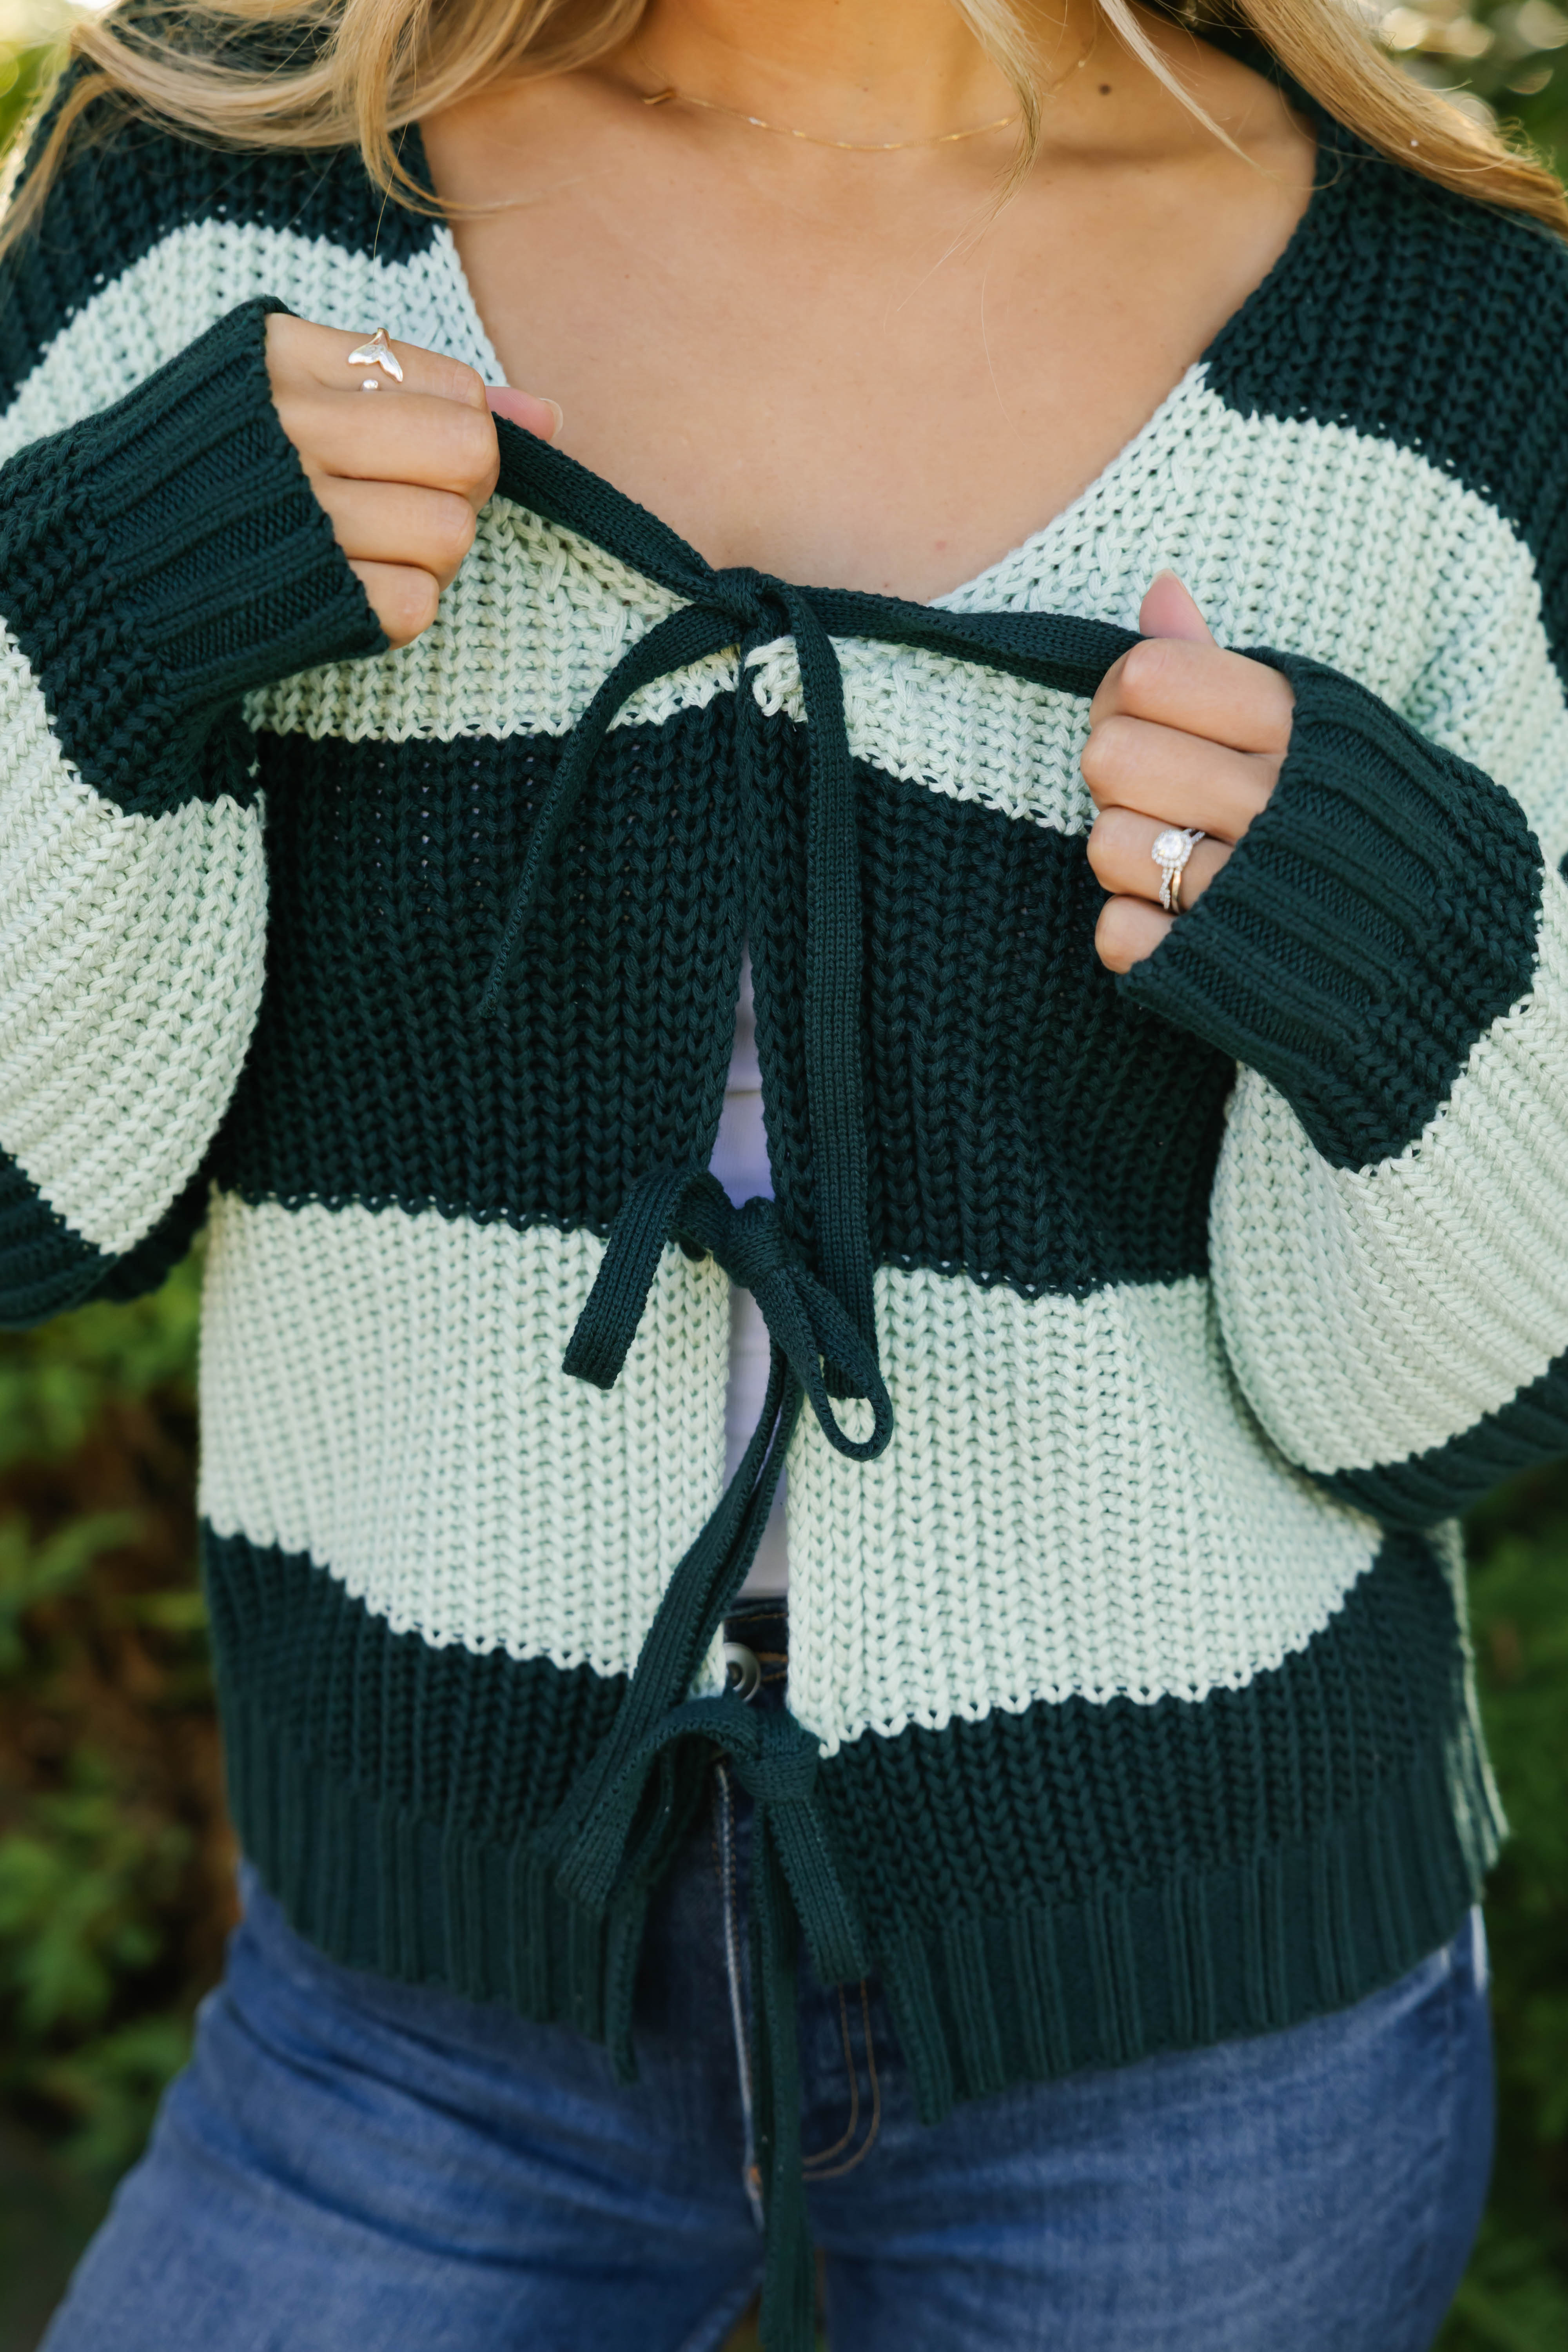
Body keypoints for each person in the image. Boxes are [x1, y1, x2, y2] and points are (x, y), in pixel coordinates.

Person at [2, 0, 1565, 2343]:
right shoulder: (221, 172)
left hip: (1198, 2013)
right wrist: (98, 622)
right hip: (424, 1995)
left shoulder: (1452, 335)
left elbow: (1456, 1404)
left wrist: (1399, 954)